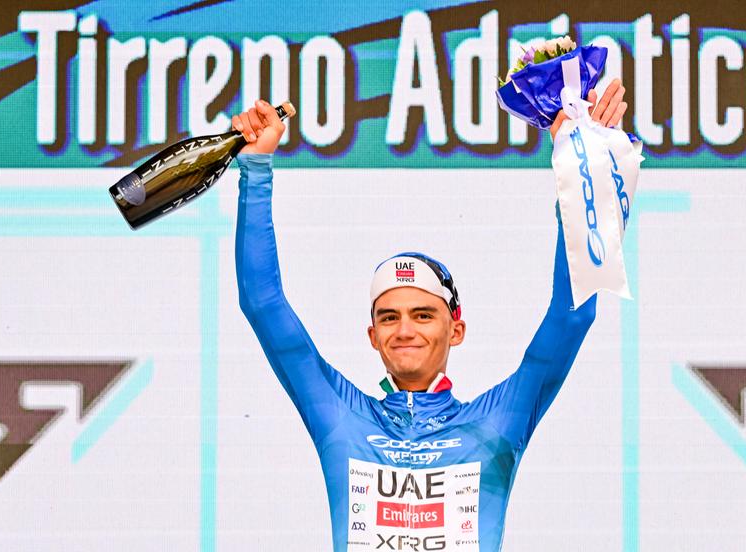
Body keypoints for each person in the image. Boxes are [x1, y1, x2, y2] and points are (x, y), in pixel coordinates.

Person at [231, 82, 627, 551]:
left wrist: (583, 173)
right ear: (372, 335)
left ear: (455, 329)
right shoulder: (339, 415)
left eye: (422, 315)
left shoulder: (499, 419)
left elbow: (572, 317)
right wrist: (256, 168)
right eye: (389, 317)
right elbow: (262, 303)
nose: (404, 330)